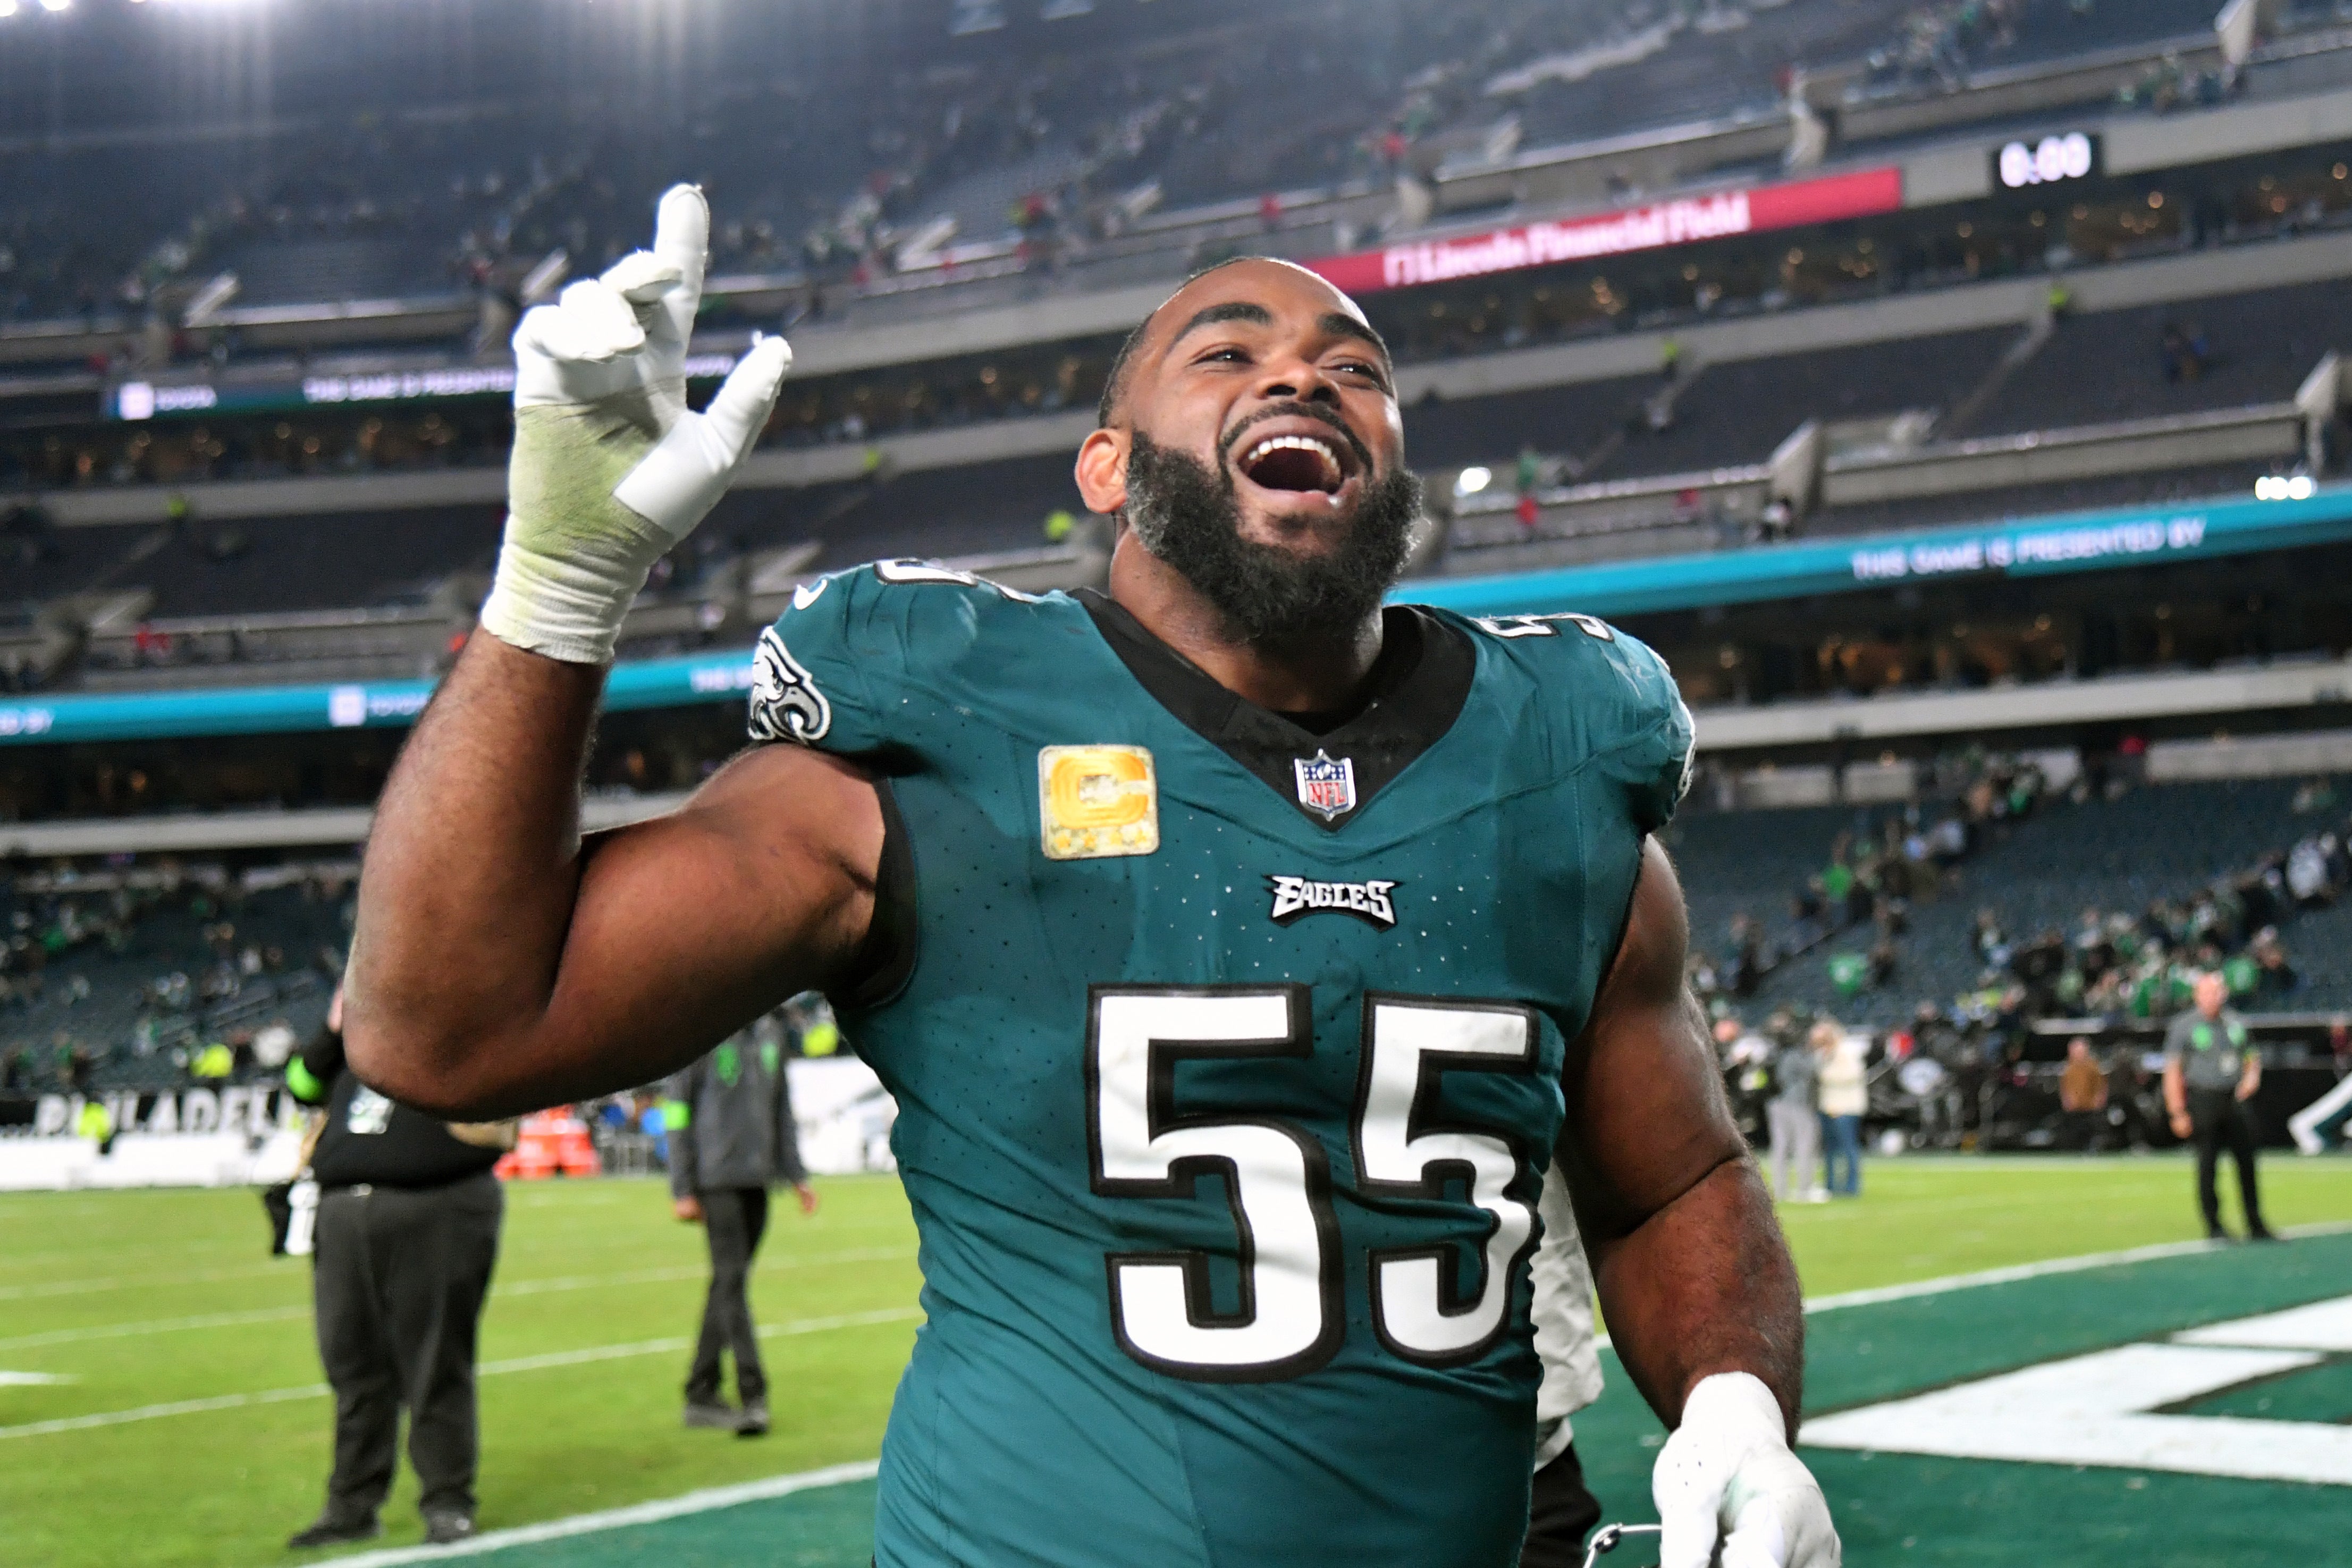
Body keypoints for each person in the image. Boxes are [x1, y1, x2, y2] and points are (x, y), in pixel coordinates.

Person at [345, 189, 1836, 1568]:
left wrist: (1734, 1406)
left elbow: (1672, 1181)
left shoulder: (1550, 764)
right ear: (1107, 465)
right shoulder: (947, 732)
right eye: (1227, 347)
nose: (1305, 376)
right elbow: (450, 1032)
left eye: (1356, 365)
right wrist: (554, 588)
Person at [283, 988, 511, 1549]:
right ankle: (352, 1503)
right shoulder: (358, 1031)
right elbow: (301, 1086)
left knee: (434, 1359)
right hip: (344, 1209)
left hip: (439, 1201)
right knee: (352, 1362)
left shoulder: (467, 1010)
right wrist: (334, 1029)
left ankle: (448, 1499)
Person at [667, 1014, 818, 1436]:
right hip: (716, 1180)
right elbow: (677, 1111)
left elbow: (781, 1108)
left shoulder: (770, 1031)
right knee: (732, 1283)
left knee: (727, 1284)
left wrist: (796, 1174)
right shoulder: (700, 1030)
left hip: (759, 1177)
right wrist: (682, 1187)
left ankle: (700, 1391)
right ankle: (754, 1395)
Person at [2163, 972, 2275, 1242]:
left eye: (2216, 992)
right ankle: (2214, 1225)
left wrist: (2251, 1077)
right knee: (2207, 1163)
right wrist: (2177, 1111)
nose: (2212, 998)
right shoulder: (2184, 1026)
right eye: (2206, 992)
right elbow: (2173, 1071)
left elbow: (2252, 1056)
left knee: (2247, 1162)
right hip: (2204, 1097)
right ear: (2197, 996)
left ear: (2224, 994)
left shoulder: (2236, 1023)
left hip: (2234, 1098)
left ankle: (2255, 1222)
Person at [1765, 1029, 1822, 1203]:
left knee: (1780, 1147)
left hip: (1776, 1103)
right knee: (1804, 1145)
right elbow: (1813, 1072)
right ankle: (1805, 1189)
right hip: (1797, 1103)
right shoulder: (1796, 1056)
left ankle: (1780, 1189)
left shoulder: (1775, 1053)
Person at [1814, 1022, 1866, 1199]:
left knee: (1848, 1147)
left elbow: (1854, 1075)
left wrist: (1826, 1075)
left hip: (1845, 1107)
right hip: (1828, 1105)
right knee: (1830, 1148)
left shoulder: (1847, 1050)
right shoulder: (1823, 1053)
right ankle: (1831, 1185)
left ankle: (1852, 1186)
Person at [2059, 1036, 2108, 1152]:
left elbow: (2101, 1085)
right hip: (2075, 1105)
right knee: (2075, 1129)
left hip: (2090, 1105)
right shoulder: (2068, 1068)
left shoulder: (2093, 1066)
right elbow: (2064, 1087)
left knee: (2091, 1128)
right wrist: (2066, 1100)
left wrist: (2100, 1098)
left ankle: (2091, 1149)